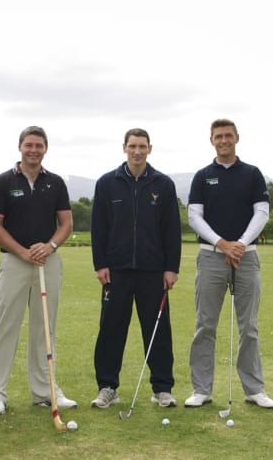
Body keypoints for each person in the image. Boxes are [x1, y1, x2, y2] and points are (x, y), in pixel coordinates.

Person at [0, 126, 77, 415]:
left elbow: (66, 225)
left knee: (45, 329)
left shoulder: (56, 183)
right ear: (20, 147)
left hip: (47, 262)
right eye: (28, 145)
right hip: (14, 262)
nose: (33, 150)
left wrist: (49, 247)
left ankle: (44, 391)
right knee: (6, 326)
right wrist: (22, 252)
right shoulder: (3, 181)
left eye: (38, 145)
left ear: (45, 148)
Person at [184, 118, 273, 410]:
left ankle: (254, 389)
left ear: (237, 138)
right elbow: (194, 216)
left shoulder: (252, 174)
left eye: (228, 136)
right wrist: (221, 243)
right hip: (211, 257)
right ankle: (201, 389)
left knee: (248, 326)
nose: (223, 141)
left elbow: (262, 212)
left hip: (246, 257)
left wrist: (239, 244)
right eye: (218, 137)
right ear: (211, 140)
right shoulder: (202, 176)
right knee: (205, 325)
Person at [89, 128, 181, 409]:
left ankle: (162, 388)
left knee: (157, 331)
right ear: (124, 148)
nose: (137, 151)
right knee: (111, 329)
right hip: (116, 271)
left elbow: (172, 230)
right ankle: (107, 387)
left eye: (142, 146)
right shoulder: (107, 183)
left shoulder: (163, 184)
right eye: (132, 146)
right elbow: (98, 228)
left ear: (149, 149)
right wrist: (100, 264)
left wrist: (171, 268)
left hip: (153, 271)